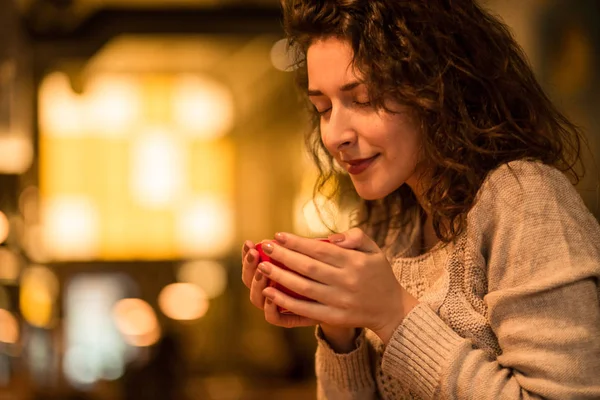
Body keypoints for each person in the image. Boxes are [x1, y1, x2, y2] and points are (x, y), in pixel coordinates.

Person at [241, 0, 600, 398]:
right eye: (322, 108)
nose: (334, 135)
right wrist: (338, 326)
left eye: (362, 99)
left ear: (437, 88)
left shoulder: (524, 198)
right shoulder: (391, 220)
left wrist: (392, 313)